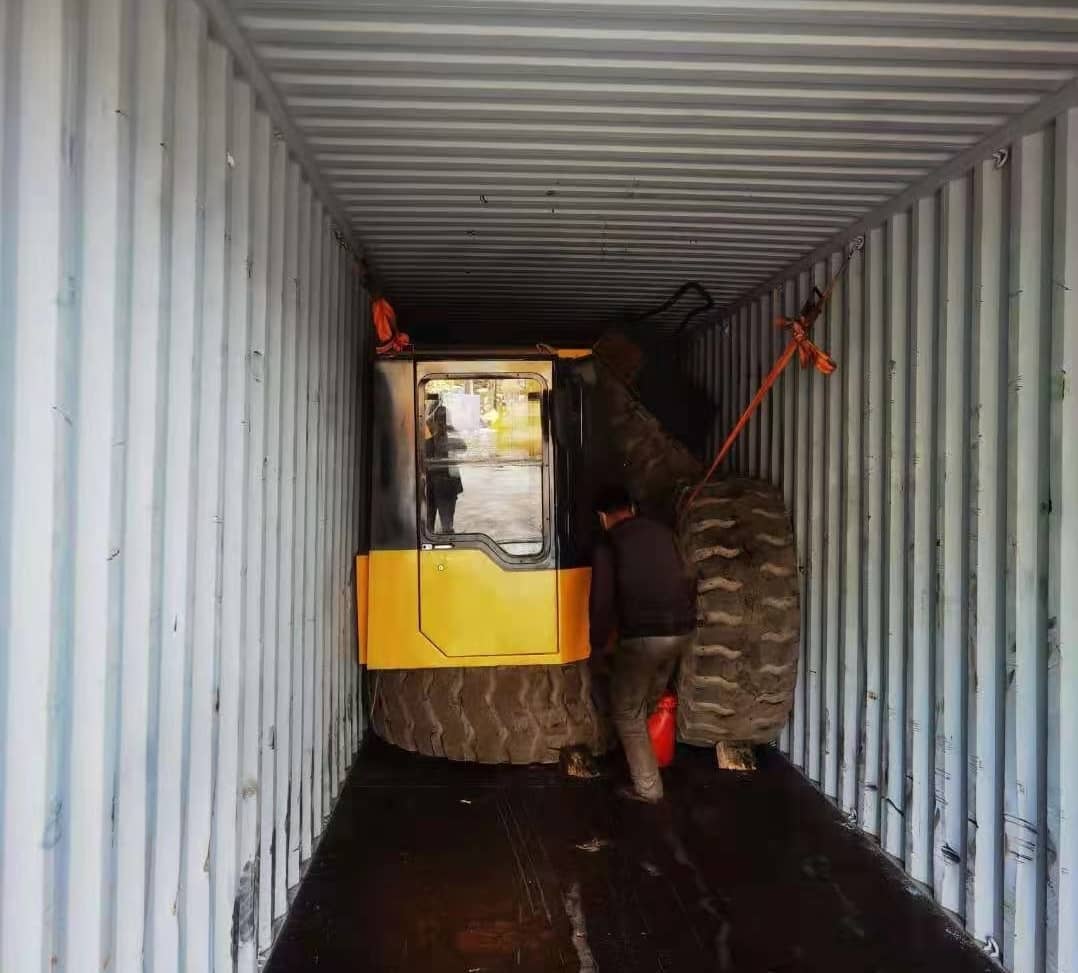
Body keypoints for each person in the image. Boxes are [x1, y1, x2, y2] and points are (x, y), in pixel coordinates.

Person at [589, 484, 696, 802]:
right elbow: (689, 576)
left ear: (602, 517)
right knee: (647, 699)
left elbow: (601, 602)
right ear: (633, 509)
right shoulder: (665, 533)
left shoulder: (608, 544)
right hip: (682, 633)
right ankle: (645, 759)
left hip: (644, 638)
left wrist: (597, 646)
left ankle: (648, 789)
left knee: (626, 712)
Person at [424, 404, 465, 534]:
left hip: (444, 483)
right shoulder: (429, 437)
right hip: (435, 483)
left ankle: (444, 536)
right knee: (431, 525)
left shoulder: (446, 435)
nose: (441, 423)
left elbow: (463, 447)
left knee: (439, 525)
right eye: (439, 419)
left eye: (443, 419)